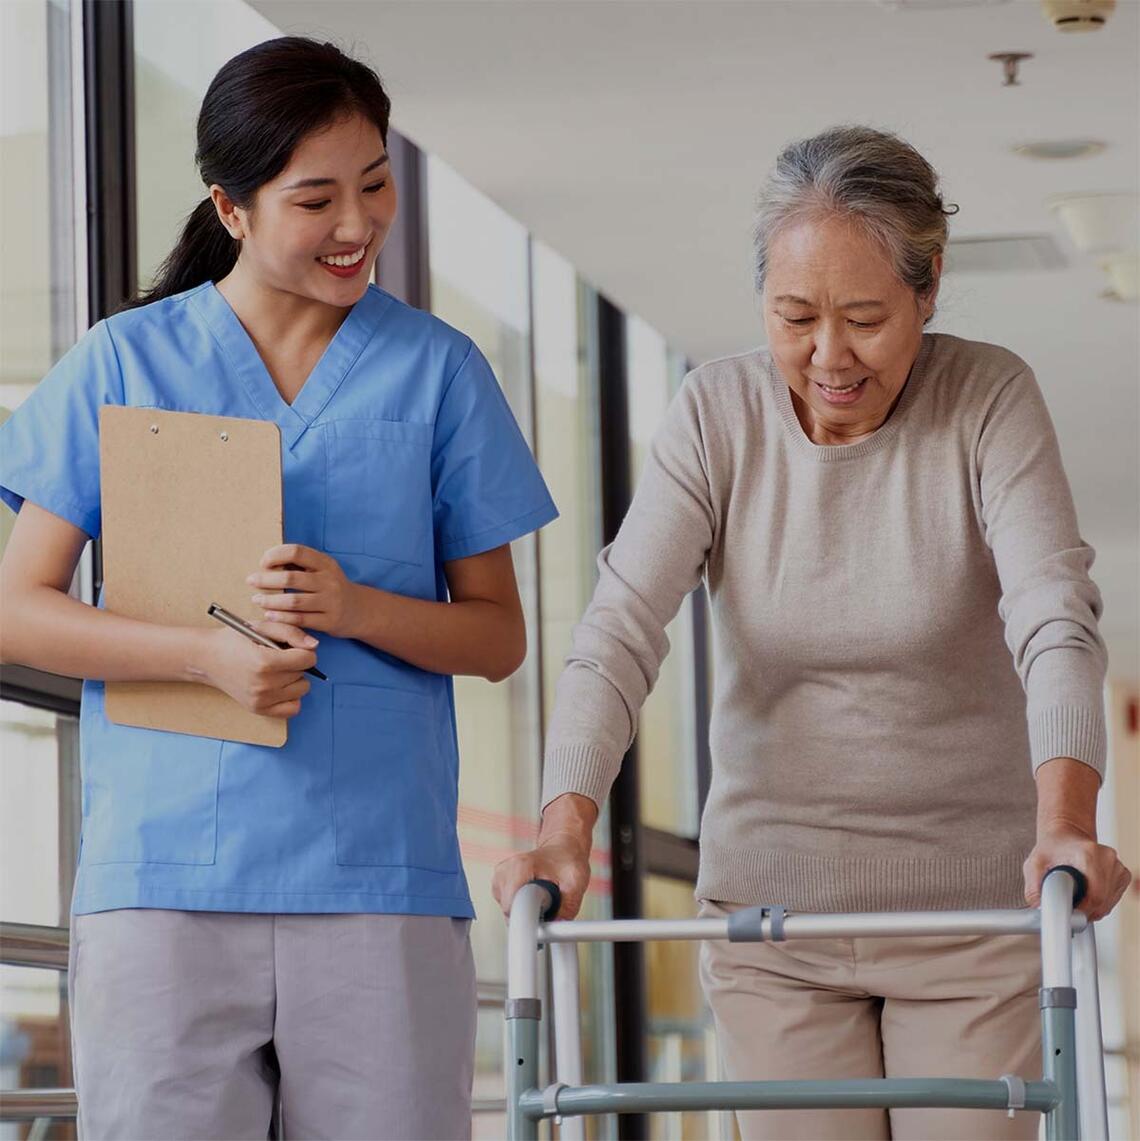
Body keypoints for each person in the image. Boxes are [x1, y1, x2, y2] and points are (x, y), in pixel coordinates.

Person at [493, 125, 1131, 1141]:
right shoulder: (715, 415)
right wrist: (562, 829)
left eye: (867, 318)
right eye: (795, 316)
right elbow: (619, 629)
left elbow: (1054, 616)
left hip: (969, 915)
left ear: (928, 291)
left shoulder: (988, 400)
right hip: (773, 919)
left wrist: (1068, 822)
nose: (828, 356)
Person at [0, 36, 556, 1141]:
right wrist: (204, 655)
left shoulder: (438, 370)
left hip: (376, 882)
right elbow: (16, 607)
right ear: (234, 206)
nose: (358, 226)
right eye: (317, 198)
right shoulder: (123, 363)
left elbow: (497, 636)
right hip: (161, 885)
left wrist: (357, 608)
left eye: (375, 184)